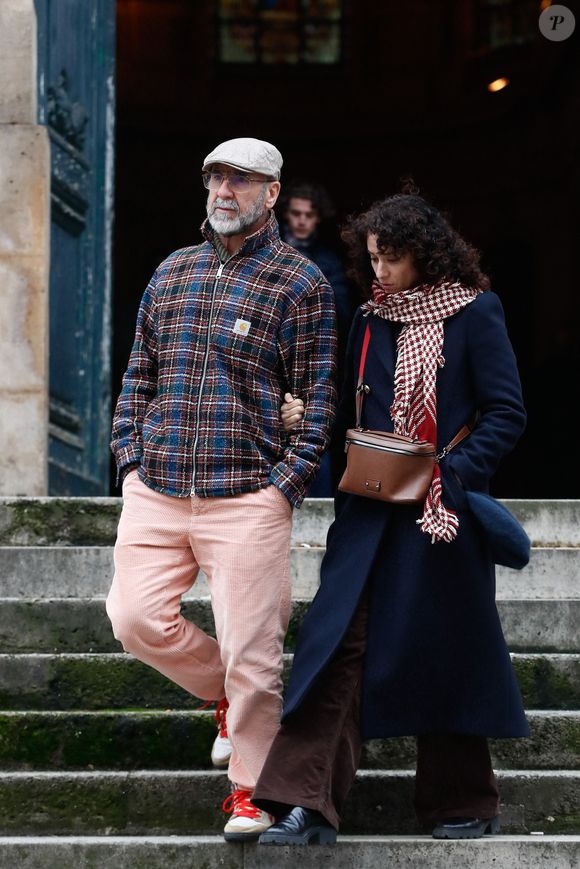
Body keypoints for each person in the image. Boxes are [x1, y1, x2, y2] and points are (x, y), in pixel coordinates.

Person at [251, 190, 529, 844]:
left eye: (392, 258)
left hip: (442, 515)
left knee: (447, 648)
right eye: (372, 258)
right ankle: (307, 804)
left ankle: (464, 800)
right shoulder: (371, 319)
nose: (379, 272)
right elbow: (353, 412)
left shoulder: (476, 311)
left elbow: (506, 412)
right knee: (336, 643)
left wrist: (447, 475)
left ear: (425, 254)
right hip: (370, 511)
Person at [106, 137, 337, 842]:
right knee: (133, 618)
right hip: (160, 484)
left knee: (257, 653)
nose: (223, 191)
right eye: (214, 178)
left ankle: (249, 791)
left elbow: (319, 395)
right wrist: (128, 460)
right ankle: (222, 696)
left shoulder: (302, 283)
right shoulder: (172, 270)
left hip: (247, 493)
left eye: (240, 181)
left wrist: (284, 485)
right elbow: (137, 373)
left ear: (272, 193)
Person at [279, 181, 356, 496]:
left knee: (315, 432)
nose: (300, 220)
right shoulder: (268, 253)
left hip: (314, 359)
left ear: (317, 218)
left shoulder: (328, 261)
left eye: (307, 215)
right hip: (268, 359)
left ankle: (318, 505)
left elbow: (344, 313)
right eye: (295, 213)